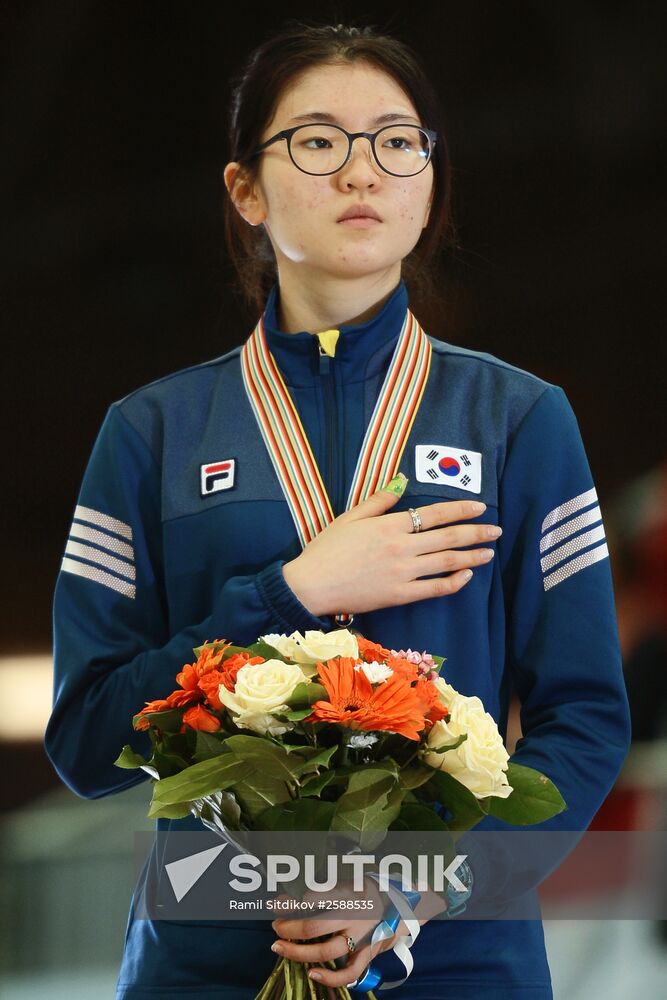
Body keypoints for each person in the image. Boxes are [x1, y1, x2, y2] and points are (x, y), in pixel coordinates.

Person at [44, 20, 632, 1000]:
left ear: (429, 181)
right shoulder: (150, 433)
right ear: (244, 189)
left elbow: (583, 722)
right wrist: (289, 591)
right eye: (317, 141)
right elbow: (85, 743)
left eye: (397, 142)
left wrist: (416, 883)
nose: (362, 172)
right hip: (208, 957)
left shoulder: (520, 420)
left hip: (459, 964)